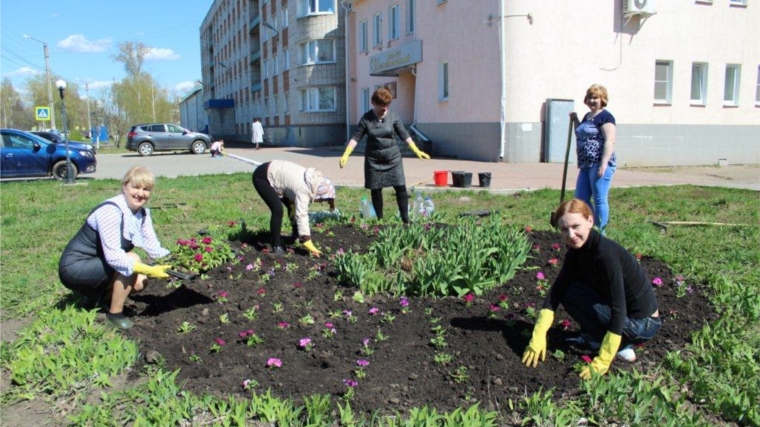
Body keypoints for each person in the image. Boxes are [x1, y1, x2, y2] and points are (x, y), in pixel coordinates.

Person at [522, 199, 660, 379]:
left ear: (590, 221)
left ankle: (619, 345)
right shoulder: (576, 252)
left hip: (643, 324)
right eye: (564, 229)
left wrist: (604, 358)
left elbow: (619, 307)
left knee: (573, 293)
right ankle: (599, 338)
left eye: (576, 226)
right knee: (568, 290)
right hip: (626, 317)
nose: (571, 234)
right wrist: (539, 333)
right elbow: (557, 290)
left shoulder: (606, 254)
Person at [58, 166, 171, 330]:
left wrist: (179, 261)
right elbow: (114, 257)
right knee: (132, 259)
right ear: (125, 186)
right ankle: (115, 315)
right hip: (75, 267)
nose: (141, 193)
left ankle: (94, 299)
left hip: (98, 264)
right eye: (136, 187)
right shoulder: (111, 210)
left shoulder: (142, 214)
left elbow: (154, 248)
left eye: (146, 189)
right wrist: (148, 269)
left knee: (140, 282)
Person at [339, 88, 430, 224]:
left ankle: (406, 220)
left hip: (393, 158)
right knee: (376, 190)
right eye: (382, 105)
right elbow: (356, 137)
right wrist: (346, 153)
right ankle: (380, 221)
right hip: (373, 160)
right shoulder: (366, 118)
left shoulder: (393, 116)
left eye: (387, 105)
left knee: (400, 187)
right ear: (373, 103)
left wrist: (416, 150)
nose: (385, 108)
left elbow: (403, 134)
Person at [252, 160, 336, 257]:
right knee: (277, 209)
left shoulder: (313, 180)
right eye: (321, 200)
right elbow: (301, 214)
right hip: (263, 177)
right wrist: (307, 240)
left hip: (276, 172)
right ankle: (276, 246)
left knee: (292, 206)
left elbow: (295, 208)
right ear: (318, 194)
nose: (320, 202)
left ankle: (295, 234)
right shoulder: (303, 190)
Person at [569, 84, 617, 234]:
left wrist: (604, 164)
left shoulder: (606, 117)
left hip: (599, 164)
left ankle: (600, 231)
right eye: (590, 97)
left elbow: (610, 141)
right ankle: (588, 227)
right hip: (585, 164)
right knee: (580, 198)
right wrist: (576, 119)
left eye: (595, 97)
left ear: (602, 99)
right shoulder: (588, 116)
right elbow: (581, 133)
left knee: (599, 198)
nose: (592, 100)